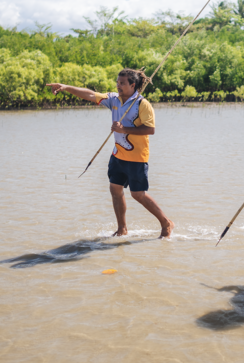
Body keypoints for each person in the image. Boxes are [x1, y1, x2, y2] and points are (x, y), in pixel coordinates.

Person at [46, 69, 174, 239]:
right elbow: (91, 95)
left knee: (138, 195)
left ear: (132, 85)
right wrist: (65, 87)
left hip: (136, 157)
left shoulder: (142, 104)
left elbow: (150, 129)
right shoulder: (114, 99)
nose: (118, 86)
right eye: (117, 82)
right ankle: (122, 229)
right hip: (117, 155)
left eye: (122, 83)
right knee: (115, 189)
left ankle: (166, 223)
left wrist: (124, 129)